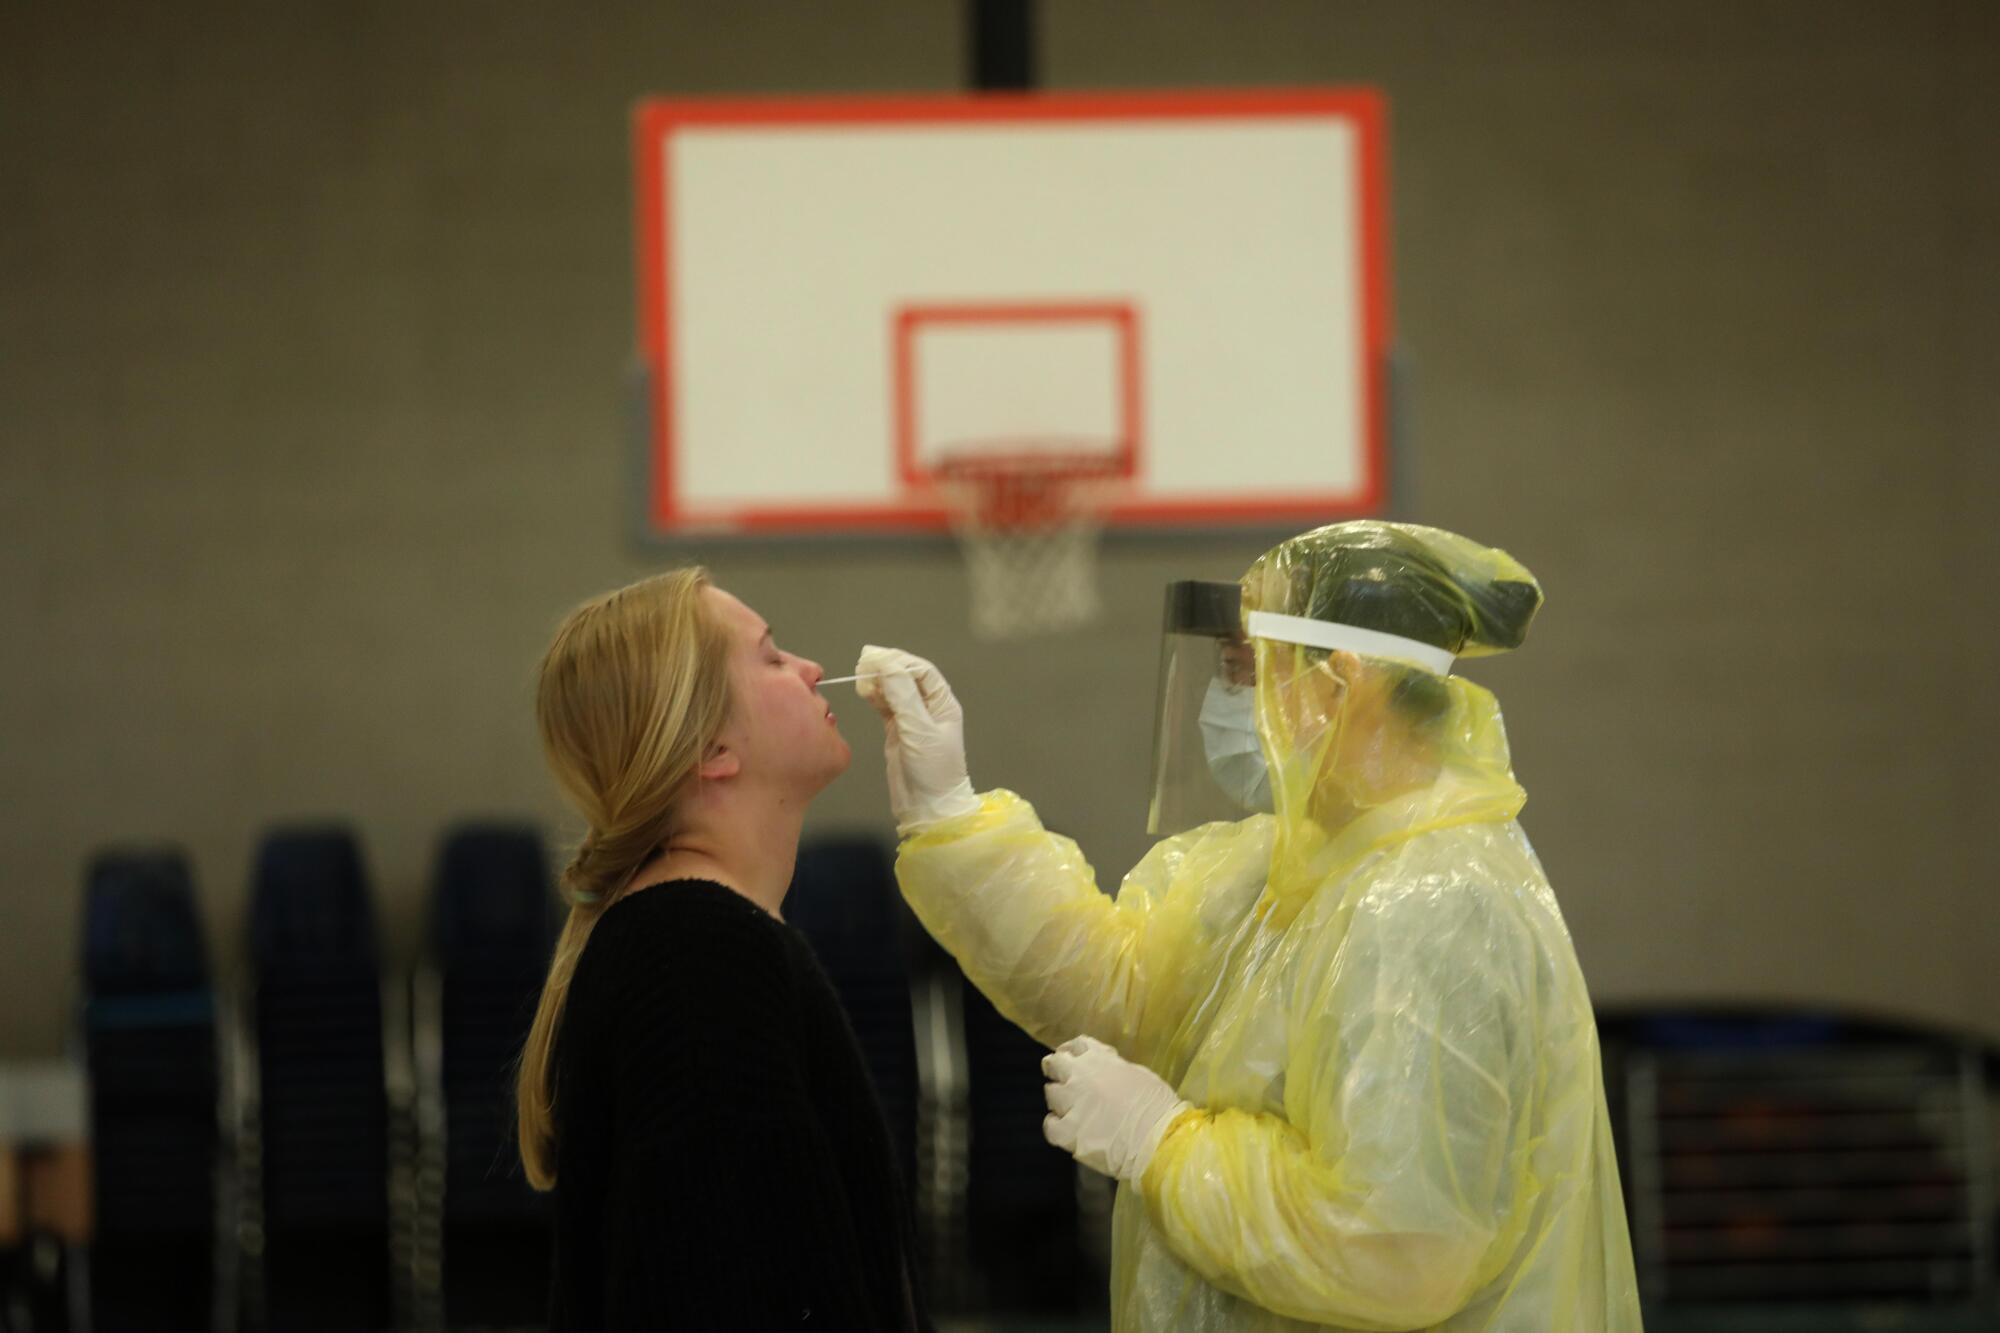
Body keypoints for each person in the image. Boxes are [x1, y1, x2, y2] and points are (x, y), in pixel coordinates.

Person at [858, 521, 1641, 1332]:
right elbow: (1123, 988)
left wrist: (1164, 1144)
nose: (1227, 704)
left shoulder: (1432, 901)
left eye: (1245, 674)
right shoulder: (1290, 865)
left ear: (1342, 686)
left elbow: (1398, 1246)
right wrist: (948, 810)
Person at [516, 567, 930, 1331]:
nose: (809, 668)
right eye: (772, 655)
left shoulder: (707, 940)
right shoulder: (695, 958)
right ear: (712, 748)